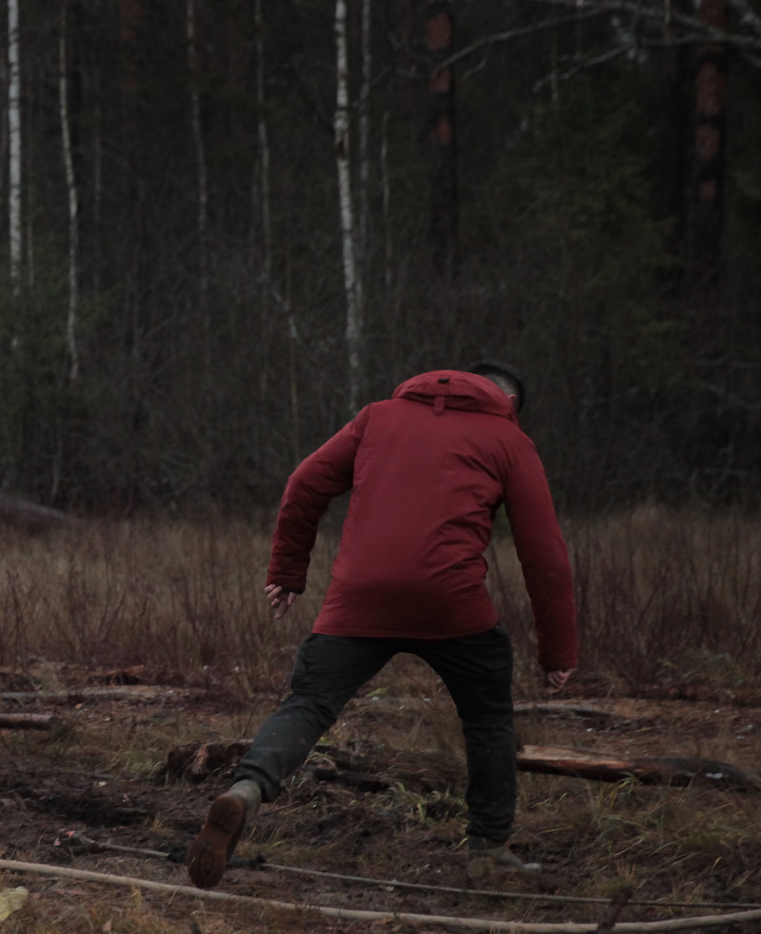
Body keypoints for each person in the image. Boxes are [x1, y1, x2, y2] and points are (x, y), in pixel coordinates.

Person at [187, 362, 578, 888]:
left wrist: (288, 573)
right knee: (487, 719)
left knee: (309, 704)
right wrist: (557, 652)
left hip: (359, 597)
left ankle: (244, 793)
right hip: (451, 603)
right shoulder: (507, 437)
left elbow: (304, 483)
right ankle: (488, 852)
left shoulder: (378, 417)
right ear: (508, 402)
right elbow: (545, 554)